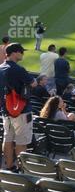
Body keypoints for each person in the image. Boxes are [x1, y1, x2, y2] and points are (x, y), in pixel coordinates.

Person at [0, 43, 37, 171]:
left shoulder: (0, 68)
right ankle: (22, 169)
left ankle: (9, 166)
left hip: (5, 111)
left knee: (8, 139)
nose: (23, 54)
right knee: (22, 142)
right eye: (21, 52)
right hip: (21, 111)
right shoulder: (18, 69)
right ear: (15, 53)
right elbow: (33, 83)